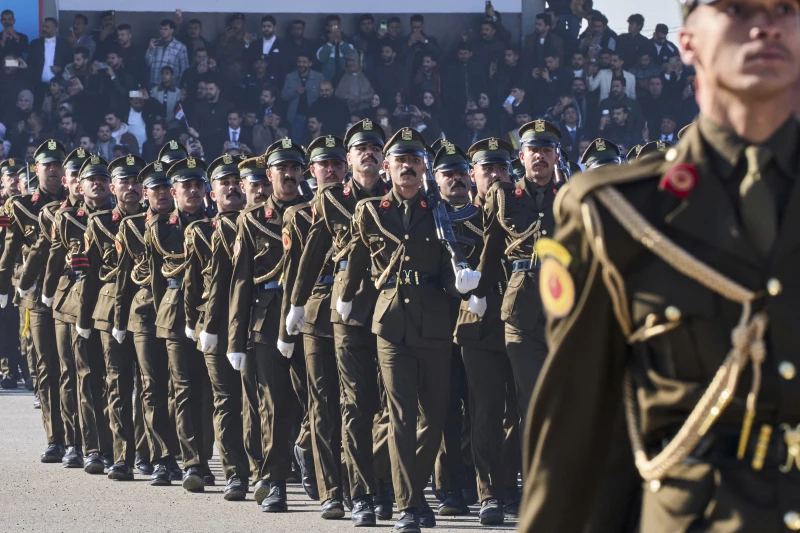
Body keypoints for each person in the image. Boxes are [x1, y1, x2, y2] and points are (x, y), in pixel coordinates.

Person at [521, 2, 800, 532]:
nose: (765, 26)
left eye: (784, 9)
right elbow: (577, 433)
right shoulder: (617, 213)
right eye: (737, 9)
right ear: (687, 41)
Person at [338, 128, 481, 532]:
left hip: (434, 322)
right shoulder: (371, 211)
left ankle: (411, 492)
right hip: (391, 323)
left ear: (424, 168)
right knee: (400, 416)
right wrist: (346, 298)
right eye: (401, 161)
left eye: (415, 161)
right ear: (387, 167)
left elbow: (449, 266)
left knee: (433, 418)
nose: (408, 167)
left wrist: (465, 285)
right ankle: (408, 506)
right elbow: (358, 258)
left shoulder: (440, 212)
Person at [227, 143, 316, 512]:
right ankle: (275, 481)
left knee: (317, 398)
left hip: (309, 315)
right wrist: (235, 340)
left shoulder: (315, 212)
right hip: (266, 320)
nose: (289, 174)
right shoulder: (251, 220)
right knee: (274, 406)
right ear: (270, 174)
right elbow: (241, 281)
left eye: (295, 168)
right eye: (282, 169)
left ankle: (306, 447)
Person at [475, 120, 564, 434]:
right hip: (520, 310)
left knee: (562, 397)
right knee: (532, 398)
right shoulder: (503, 195)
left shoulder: (569, 193)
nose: (540, 156)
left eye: (546, 150)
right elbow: (491, 251)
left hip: (561, 307)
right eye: (533, 150)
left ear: (556, 156)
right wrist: (478, 293)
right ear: (521, 156)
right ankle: (534, 466)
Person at [281, 135, 350, 520]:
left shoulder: (362, 205)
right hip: (316, 310)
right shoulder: (300, 215)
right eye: (325, 165)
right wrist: (286, 328)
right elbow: (295, 273)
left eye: (337, 164)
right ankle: (330, 488)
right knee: (322, 401)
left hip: (356, 309)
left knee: (356, 401)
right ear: (312, 171)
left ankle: (355, 480)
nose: (332, 170)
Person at [184, 153, 250, 500]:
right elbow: (193, 285)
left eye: (237, 181)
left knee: (261, 401)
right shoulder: (201, 231)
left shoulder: (264, 224)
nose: (232, 187)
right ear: (213, 193)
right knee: (226, 401)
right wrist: (195, 325)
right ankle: (236, 473)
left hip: (256, 324)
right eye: (224, 183)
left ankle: (266, 468)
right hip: (218, 326)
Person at [114, 157, 183, 486]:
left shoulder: (188, 222)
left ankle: (184, 454)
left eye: (167, 187)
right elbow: (123, 278)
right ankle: (162, 458)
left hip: (178, 310)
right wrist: (119, 320)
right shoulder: (131, 226)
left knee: (179, 388)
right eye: (156, 188)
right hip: (144, 314)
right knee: (152, 386)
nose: (162, 193)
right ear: (146, 193)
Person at [0, 141, 68, 463]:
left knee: (75, 366)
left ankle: (81, 439)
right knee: (46, 366)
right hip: (36, 294)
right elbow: (11, 249)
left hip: (71, 292)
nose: (52, 170)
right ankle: (55, 438)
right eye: (47, 165)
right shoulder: (22, 206)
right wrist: (4, 286)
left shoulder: (76, 202)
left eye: (57, 165)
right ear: (36, 169)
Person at [281, 54, 323, 144]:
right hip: (296, 117)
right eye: (299, 62)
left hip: (313, 116)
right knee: (297, 142)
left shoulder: (318, 77)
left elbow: (323, 95)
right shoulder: (290, 77)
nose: (301, 64)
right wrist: (294, 91)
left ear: (310, 63)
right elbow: (284, 96)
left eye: (304, 62)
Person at [145, 19, 189, 87]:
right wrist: (150, 49)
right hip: (154, 82)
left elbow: (184, 68)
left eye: (165, 29)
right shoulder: (154, 43)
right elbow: (147, 63)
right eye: (161, 29)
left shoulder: (180, 46)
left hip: (172, 84)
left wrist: (181, 85)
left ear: (172, 30)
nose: (162, 31)